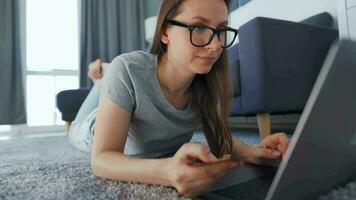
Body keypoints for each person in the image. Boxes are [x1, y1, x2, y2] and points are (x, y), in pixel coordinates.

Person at [68, 0, 290, 197]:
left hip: (126, 80)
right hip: (89, 127)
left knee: (116, 73)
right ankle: (102, 76)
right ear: (165, 32)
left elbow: (221, 140)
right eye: (199, 27)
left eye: (221, 30)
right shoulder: (127, 69)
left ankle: (104, 76)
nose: (214, 46)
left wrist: (258, 153)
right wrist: (167, 171)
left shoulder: (207, 83)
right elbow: (102, 159)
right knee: (90, 104)